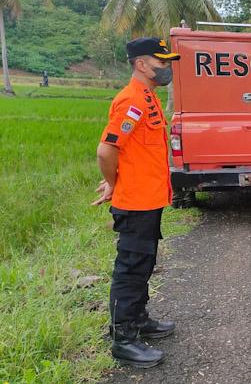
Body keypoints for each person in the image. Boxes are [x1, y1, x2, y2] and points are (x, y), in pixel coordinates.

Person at [92, 37, 180, 368]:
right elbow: (106, 151)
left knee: (144, 263)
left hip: (150, 198)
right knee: (130, 268)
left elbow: (132, 152)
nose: (166, 68)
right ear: (141, 65)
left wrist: (119, 177)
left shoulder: (149, 98)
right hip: (136, 201)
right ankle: (123, 338)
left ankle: (139, 319)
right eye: (161, 63)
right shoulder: (131, 101)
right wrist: (116, 184)